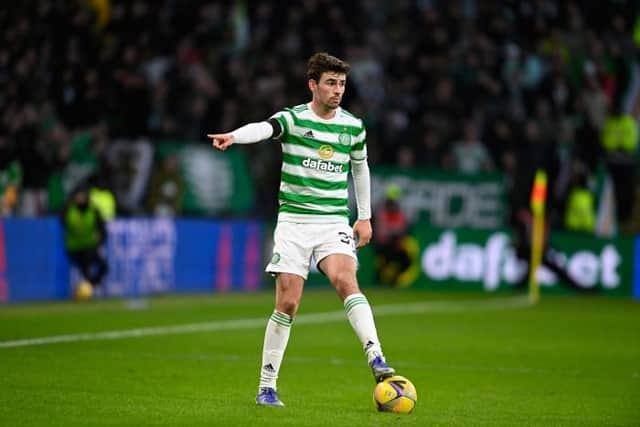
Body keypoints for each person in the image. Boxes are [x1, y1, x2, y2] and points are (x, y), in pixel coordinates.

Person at [207, 52, 395, 407]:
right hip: (294, 221)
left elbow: (361, 170)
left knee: (345, 280)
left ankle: (376, 357)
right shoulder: (293, 120)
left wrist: (365, 216)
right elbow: (264, 128)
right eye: (331, 83)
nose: (338, 90)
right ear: (313, 85)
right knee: (289, 302)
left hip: (332, 221)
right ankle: (267, 387)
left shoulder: (353, 126)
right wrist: (233, 136)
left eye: (341, 84)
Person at [61, 185, 109, 293]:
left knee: (104, 267)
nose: (80, 198)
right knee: (85, 267)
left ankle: (89, 286)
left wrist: (99, 239)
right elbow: (62, 222)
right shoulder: (68, 210)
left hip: (90, 247)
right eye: (78, 196)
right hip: (74, 248)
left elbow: (102, 230)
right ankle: (86, 289)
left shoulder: (93, 211)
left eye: (82, 196)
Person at [373, 184, 412, 286]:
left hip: (393, 244)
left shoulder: (393, 211)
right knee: (386, 261)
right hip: (384, 244)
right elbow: (383, 229)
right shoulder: (383, 211)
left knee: (405, 261)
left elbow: (403, 226)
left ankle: (391, 281)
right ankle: (381, 281)